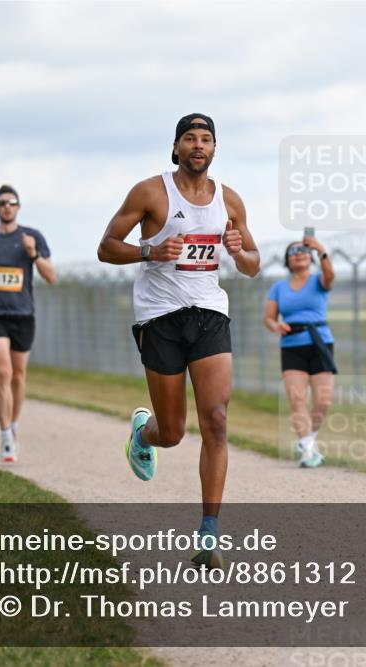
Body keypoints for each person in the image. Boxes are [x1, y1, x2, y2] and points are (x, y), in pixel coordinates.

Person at [97, 113, 259, 568]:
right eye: (190, 138)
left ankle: (209, 532)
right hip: (160, 318)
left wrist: (237, 251)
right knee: (172, 433)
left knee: (217, 420)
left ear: (214, 149)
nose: (198, 145)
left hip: (210, 314)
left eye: (206, 139)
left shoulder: (229, 200)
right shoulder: (150, 193)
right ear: (176, 148)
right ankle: (143, 434)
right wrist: (149, 250)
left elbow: (252, 263)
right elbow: (106, 247)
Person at [0, 185, 56, 463]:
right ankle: (6, 435)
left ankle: (14, 423)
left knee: (18, 376)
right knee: (4, 371)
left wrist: (33, 254)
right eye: (2, 203)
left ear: (18, 207)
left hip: (23, 314)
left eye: (12, 202)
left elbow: (51, 276)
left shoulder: (33, 237)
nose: (7, 207)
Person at [264, 235, 337, 468]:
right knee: (297, 399)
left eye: (303, 251)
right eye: (293, 252)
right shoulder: (278, 288)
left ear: (311, 257)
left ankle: (309, 439)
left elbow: (330, 275)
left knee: (323, 401)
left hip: (320, 344)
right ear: (287, 261)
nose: (299, 254)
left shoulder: (319, 281)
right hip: (291, 346)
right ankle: (307, 450)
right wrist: (276, 326)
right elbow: (269, 318)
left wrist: (320, 248)